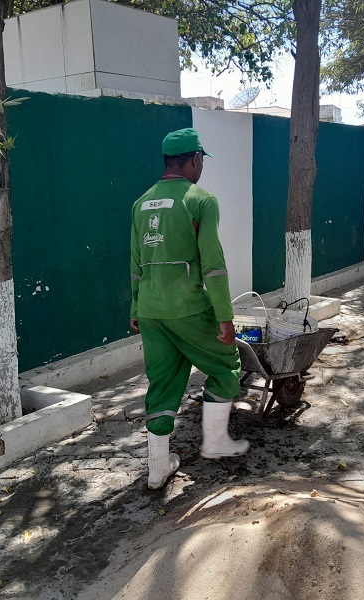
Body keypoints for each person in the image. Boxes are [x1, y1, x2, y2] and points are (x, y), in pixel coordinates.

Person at [129, 127, 249, 491]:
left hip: (150, 309)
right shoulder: (200, 199)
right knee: (226, 366)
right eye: (201, 162)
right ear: (195, 159)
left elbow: (136, 263)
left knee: (163, 382)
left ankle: (157, 467)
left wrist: (136, 307)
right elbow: (213, 264)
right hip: (189, 307)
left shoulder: (141, 202)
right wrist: (225, 317)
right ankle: (214, 443)